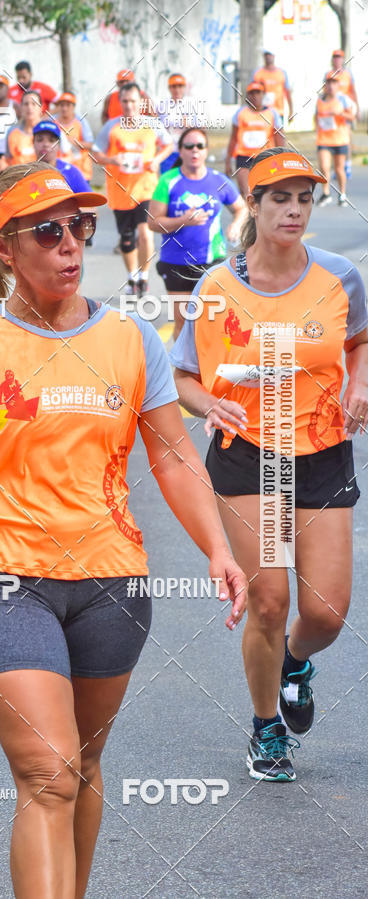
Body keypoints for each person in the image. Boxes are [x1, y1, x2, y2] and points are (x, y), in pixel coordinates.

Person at [0, 161, 247, 897]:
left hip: (112, 583)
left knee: (83, 766)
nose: (70, 245)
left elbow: (170, 457)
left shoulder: (132, 338)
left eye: (81, 227)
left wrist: (219, 548)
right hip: (3, 578)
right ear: (5, 246)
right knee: (47, 768)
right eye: (48, 230)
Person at [170, 148, 368, 782]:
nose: (294, 210)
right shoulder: (216, 287)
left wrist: (359, 383)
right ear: (251, 206)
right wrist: (212, 403)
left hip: (321, 449)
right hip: (252, 453)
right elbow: (181, 377)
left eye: (304, 198)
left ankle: (295, 662)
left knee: (327, 615)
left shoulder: (340, 277)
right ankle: (267, 729)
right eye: (279, 198)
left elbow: (361, 340)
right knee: (270, 598)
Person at [149, 128, 246, 339]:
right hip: (176, 262)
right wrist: (184, 221)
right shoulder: (168, 181)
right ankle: (184, 370)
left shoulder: (218, 180)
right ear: (180, 151)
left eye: (200, 146)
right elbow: (153, 222)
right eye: (189, 146)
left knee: (212, 322)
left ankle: (208, 369)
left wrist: (236, 225)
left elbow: (242, 208)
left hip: (211, 260)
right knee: (184, 323)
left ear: (206, 151)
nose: (195, 150)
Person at [93, 81, 173, 296]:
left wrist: (157, 160)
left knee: (144, 234)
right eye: (125, 101)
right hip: (120, 192)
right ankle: (133, 277)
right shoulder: (112, 127)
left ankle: (144, 277)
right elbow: (95, 154)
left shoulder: (152, 125)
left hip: (147, 189)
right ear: (120, 103)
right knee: (126, 239)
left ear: (141, 102)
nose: (129, 106)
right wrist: (112, 159)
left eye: (133, 101)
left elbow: (169, 144)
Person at [226, 82, 285, 196]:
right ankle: (249, 213)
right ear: (247, 96)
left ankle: (258, 213)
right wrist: (228, 161)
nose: (255, 96)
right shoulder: (240, 113)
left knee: (265, 193)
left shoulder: (272, 114)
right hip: (244, 158)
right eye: (252, 93)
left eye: (258, 93)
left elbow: (280, 139)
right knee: (247, 193)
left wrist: (281, 160)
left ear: (263, 95)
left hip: (266, 157)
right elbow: (233, 138)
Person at [315, 72, 356, 208]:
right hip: (324, 140)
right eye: (328, 83)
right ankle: (326, 193)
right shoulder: (320, 100)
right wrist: (317, 129)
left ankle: (342, 194)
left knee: (339, 169)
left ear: (337, 86)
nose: (331, 86)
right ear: (325, 86)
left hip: (340, 139)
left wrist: (341, 113)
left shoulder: (343, 100)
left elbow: (351, 117)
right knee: (324, 167)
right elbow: (316, 117)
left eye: (334, 83)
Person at [156, 73, 204, 174]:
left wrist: (190, 127)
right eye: (174, 86)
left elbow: (202, 130)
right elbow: (156, 128)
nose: (177, 89)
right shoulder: (162, 106)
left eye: (180, 86)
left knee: (186, 181)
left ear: (184, 87)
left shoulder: (193, 105)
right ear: (169, 88)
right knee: (168, 181)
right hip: (168, 151)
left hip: (187, 151)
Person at [53, 92, 94, 181]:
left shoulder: (81, 122)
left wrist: (74, 142)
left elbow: (91, 145)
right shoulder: (52, 121)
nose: (64, 108)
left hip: (81, 173)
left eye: (68, 105)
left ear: (73, 107)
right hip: (60, 172)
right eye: (62, 105)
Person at [5, 91, 42, 166]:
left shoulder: (52, 129)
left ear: (41, 108)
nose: (29, 107)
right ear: (21, 107)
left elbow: (66, 156)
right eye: (26, 104)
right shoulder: (12, 131)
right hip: (19, 175)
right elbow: (8, 159)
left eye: (34, 104)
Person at [253, 51, 293, 122]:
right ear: (264, 57)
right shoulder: (257, 73)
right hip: (262, 112)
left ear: (274, 56)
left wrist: (291, 111)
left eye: (270, 55)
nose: (268, 57)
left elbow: (288, 92)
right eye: (266, 55)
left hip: (278, 112)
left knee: (278, 132)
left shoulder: (282, 73)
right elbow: (251, 93)